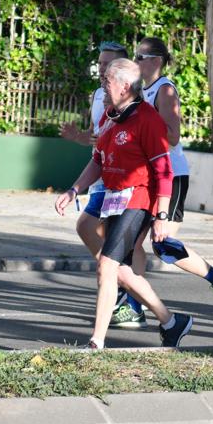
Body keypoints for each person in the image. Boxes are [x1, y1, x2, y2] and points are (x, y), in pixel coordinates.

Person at [55, 58, 193, 349]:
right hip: (114, 200)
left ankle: (97, 342)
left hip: (140, 199)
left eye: (107, 80)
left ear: (125, 86)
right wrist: (74, 190)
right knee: (121, 271)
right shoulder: (109, 116)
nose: (103, 84)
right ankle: (171, 322)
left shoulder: (148, 120)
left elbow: (164, 170)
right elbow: (97, 161)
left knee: (106, 265)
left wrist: (162, 215)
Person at [108, 37, 213, 328]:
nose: (135, 61)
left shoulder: (164, 90)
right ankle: (134, 306)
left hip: (170, 174)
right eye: (134, 56)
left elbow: (173, 136)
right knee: (136, 243)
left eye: (140, 57)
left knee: (161, 244)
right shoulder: (142, 91)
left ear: (156, 60)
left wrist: (140, 131)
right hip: (146, 177)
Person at [60, 41, 146, 324]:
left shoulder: (136, 104)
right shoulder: (100, 94)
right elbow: (96, 139)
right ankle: (121, 285)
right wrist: (77, 137)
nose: (101, 70)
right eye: (100, 63)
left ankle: (133, 303)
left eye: (107, 65)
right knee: (88, 228)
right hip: (103, 175)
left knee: (128, 245)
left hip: (127, 183)